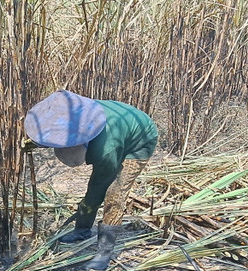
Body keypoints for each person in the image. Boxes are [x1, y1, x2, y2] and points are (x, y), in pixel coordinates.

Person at [24, 90, 158, 248]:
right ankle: (82, 231)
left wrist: (87, 205)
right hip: (121, 125)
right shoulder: (74, 116)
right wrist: (38, 141)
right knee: (95, 195)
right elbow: (59, 128)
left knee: (114, 194)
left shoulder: (105, 151)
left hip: (141, 139)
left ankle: (105, 249)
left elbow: (98, 187)